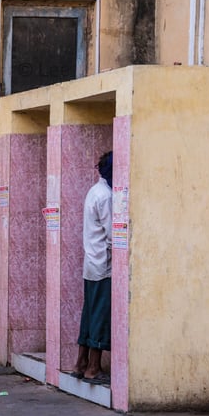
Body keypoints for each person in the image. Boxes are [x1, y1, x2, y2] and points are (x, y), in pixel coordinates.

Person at [73, 151, 112, 385]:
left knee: (89, 314)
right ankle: (93, 368)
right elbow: (111, 234)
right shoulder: (106, 196)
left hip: (91, 263)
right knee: (99, 315)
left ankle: (80, 363)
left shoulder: (94, 191)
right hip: (103, 265)